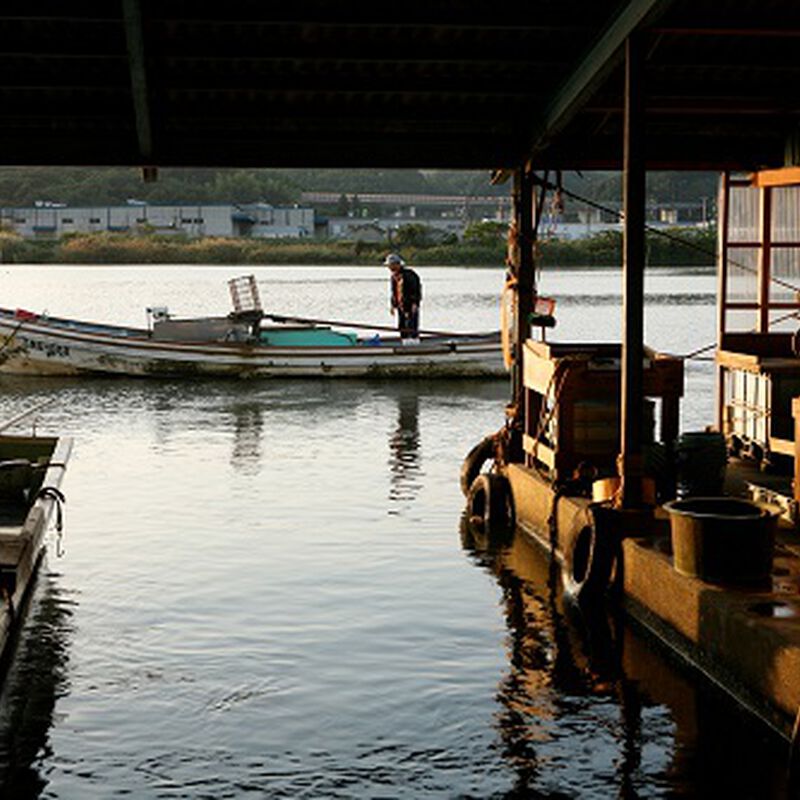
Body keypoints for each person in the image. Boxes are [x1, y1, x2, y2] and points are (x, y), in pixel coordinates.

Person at [385, 253, 422, 341]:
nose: (389, 268)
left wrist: (415, 303)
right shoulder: (394, 277)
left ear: (397, 264)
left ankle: (414, 343)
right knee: (402, 326)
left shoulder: (409, 275)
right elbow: (394, 292)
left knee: (411, 326)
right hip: (400, 306)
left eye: (391, 265)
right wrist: (393, 305)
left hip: (410, 305)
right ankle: (404, 342)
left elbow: (416, 290)